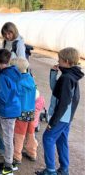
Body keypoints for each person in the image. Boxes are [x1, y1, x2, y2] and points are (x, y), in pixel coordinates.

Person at [36, 47, 83, 175]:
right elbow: (56, 89)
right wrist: (53, 73)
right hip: (67, 117)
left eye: (60, 60)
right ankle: (64, 169)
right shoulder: (70, 75)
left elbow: (63, 103)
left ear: (66, 61)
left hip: (61, 117)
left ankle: (51, 171)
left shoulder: (67, 78)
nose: (58, 61)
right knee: (61, 140)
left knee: (48, 138)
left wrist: (53, 121)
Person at [9, 58, 38, 164]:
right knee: (30, 133)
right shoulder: (30, 78)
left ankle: (16, 156)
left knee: (19, 135)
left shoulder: (18, 81)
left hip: (20, 111)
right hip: (31, 110)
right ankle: (32, 152)